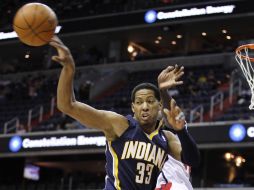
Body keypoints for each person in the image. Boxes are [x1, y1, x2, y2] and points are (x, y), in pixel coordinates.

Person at [49, 36, 200, 190]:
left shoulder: (166, 138)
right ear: (133, 107)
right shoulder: (119, 124)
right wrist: (68, 69)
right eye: (139, 102)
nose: (145, 107)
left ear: (159, 105)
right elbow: (67, 105)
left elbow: (193, 160)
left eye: (150, 101)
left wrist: (181, 131)